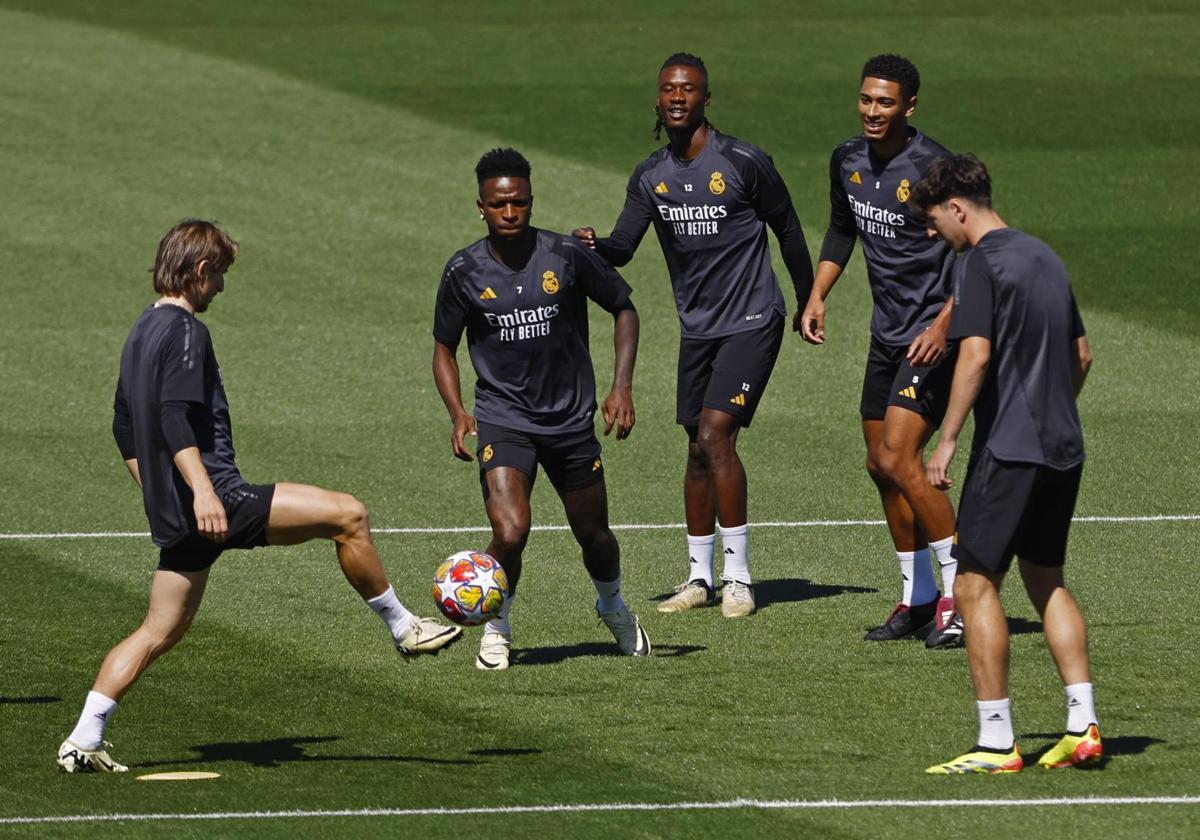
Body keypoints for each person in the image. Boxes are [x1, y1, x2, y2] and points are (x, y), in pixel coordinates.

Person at [56, 220, 461, 774]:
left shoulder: (138, 332)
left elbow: (124, 428)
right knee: (348, 514)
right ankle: (404, 627)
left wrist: (158, 494)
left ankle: (84, 736)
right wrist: (202, 492)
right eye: (219, 274)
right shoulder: (185, 332)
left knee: (159, 631)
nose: (221, 286)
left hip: (179, 513)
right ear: (200, 271)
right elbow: (174, 418)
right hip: (217, 497)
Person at [574, 53, 813, 618]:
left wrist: (811, 300)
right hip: (699, 329)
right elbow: (624, 248)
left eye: (688, 89)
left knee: (715, 435)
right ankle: (699, 578)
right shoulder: (650, 175)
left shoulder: (743, 161)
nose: (677, 97)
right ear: (657, 101)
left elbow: (788, 228)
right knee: (696, 448)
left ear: (707, 98)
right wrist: (594, 245)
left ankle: (739, 579)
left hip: (754, 319)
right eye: (668, 89)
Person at [910, 154, 1100, 774]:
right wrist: (1051, 413)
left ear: (958, 207)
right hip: (1062, 447)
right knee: (1047, 579)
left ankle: (996, 742)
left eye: (936, 221)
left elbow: (976, 354)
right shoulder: (1045, 255)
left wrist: (947, 441)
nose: (936, 232)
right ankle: (1083, 726)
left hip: (1010, 450)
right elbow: (1083, 355)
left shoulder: (980, 263)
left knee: (972, 582)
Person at [433, 148, 649, 671]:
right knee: (510, 530)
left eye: (520, 203)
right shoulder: (463, 270)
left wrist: (621, 387)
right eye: (499, 204)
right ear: (480, 207)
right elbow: (443, 346)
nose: (511, 213)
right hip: (504, 418)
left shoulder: (566, 255)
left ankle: (614, 607)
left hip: (571, 419)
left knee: (593, 533)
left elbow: (624, 308)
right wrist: (460, 412)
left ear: (531, 201)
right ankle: (497, 627)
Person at [800, 54, 963, 647]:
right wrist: (818, 294)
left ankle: (964, 594)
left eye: (885, 102)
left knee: (899, 458)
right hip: (887, 334)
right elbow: (843, 229)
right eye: (866, 99)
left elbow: (978, 253)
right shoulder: (847, 159)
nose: (872, 111)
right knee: (881, 467)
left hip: (934, 338)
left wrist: (946, 322)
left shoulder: (936, 169)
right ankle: (918, 597)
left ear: (909, 107)